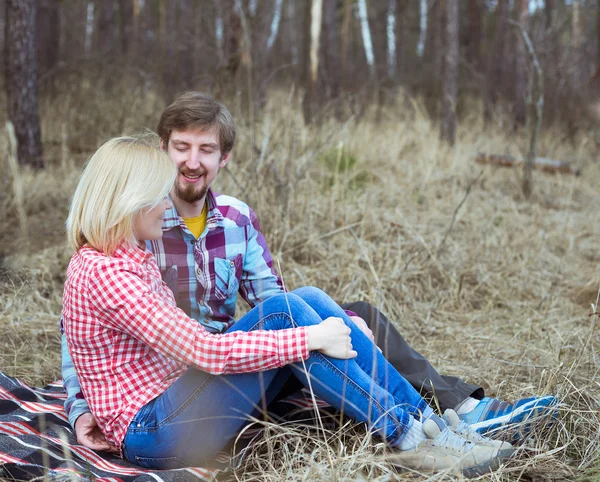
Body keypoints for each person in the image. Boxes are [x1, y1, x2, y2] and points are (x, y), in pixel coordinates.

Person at [61, 92, 556, 454]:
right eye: (180, 150)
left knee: (328, 307)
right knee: (305, 323)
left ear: (223, 158)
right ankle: (417, 434)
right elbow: (84, 338)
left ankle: (448, 419)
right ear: (160, 158)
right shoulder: (125, 249)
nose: (189, 164)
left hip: (213, 363)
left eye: (205, 150)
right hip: (190, 378)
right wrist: (80, 407)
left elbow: (274, 296)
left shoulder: (218, 223)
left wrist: (327, 322)